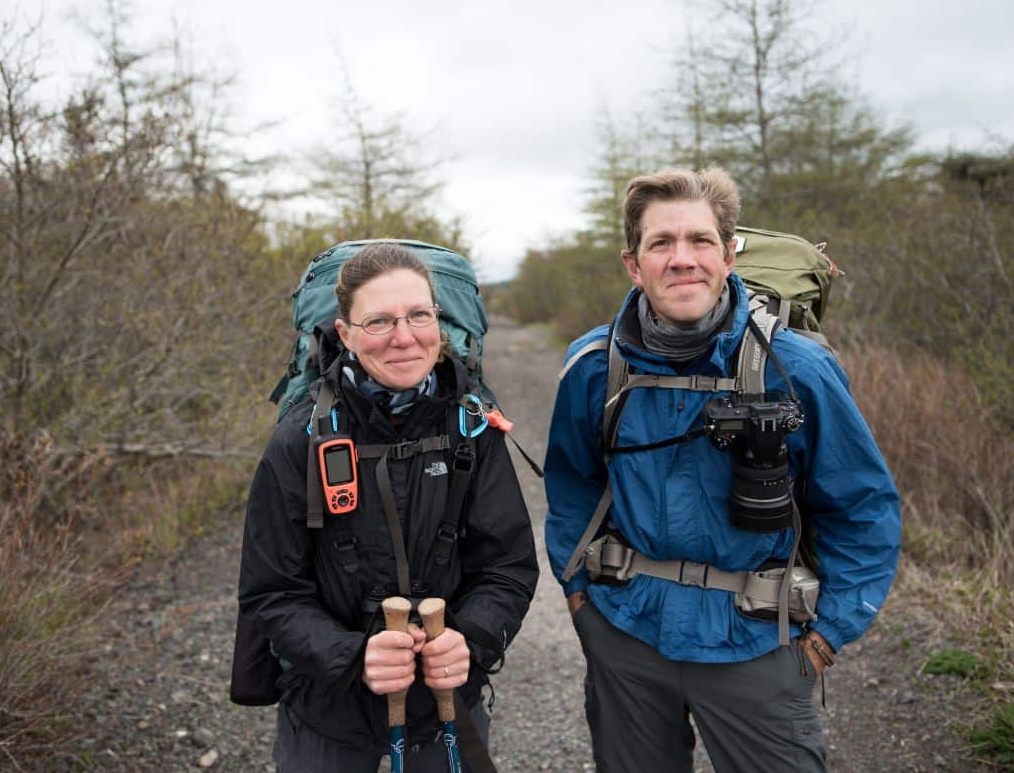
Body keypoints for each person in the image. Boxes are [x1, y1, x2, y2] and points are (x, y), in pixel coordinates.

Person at [544, 168, 901, 772]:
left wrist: (826, 637)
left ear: (729, 255)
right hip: (628, 632)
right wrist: (581, 595)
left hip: (759, 642)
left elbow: (861, 507)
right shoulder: (593, 366)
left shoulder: (797, 368)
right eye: (662, 243)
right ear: (634, 265)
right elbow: (573, 484)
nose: (682, 259)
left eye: (700, 241)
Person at [238, 242, 538, 772]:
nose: (404, 337)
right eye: (379, 321)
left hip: (443, 702)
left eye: (418, 315)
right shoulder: (299, 440)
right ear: (345, 333)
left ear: (438, 321)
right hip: (326, 706)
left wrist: (470, 641)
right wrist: (352, 657)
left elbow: (508, 567)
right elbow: (271, 591)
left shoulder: (471, 428)